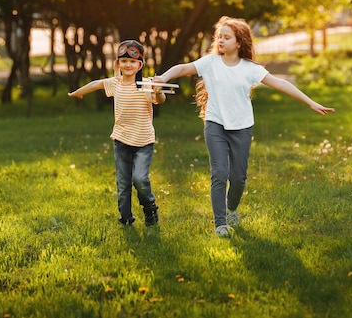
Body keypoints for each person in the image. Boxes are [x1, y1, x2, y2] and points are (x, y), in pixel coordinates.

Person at [153, 16, 335, 237]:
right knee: (219, 173)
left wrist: (310, 102)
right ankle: (220, 224)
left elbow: (280, 83)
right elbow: (182, 68)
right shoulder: (210, 63)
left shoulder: (250, 69)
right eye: (219, 37)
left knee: (238, 178)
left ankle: (231, 210)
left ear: (238, 43)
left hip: (241, 127)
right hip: (215, 124)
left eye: (226, 37)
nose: (220, 41)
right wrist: (163, 77)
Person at [68, 39, 166, 227]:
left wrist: (158, 90)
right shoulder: (115, 84)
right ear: (118, 64)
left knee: (140, 179)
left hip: (143, 141)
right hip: (121, 140)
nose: (128, 65)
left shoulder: (146, 85)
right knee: (123, 185)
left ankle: (150, 208)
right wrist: (78, 93)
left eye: (132, 61)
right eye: (123, 61)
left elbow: (159, 99)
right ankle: (126, 218)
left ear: (140, 65)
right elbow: (96, 84)